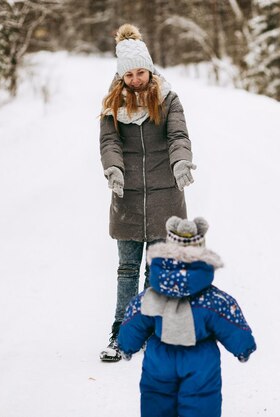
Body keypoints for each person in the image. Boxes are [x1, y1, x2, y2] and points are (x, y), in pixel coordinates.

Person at [98, 23, 197, 362]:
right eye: (130, 74)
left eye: (141, 72)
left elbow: (178, 136)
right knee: (127, 269)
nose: (136, 79)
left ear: (150, 69)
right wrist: (113, 168)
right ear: (121, 75)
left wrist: (181, 162)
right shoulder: (112, 104)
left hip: (164, 196)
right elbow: (109, 141)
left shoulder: (168, 98)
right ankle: (121, 332)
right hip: (126, 195)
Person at [117, 216, 257, 417]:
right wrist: (243, 347)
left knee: (156, 399)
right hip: (200, 361)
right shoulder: (213, 300)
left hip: (159, 359)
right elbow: (229, 319)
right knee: (201, 401)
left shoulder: (150, 297)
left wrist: (126, 345)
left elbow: (134, 320)